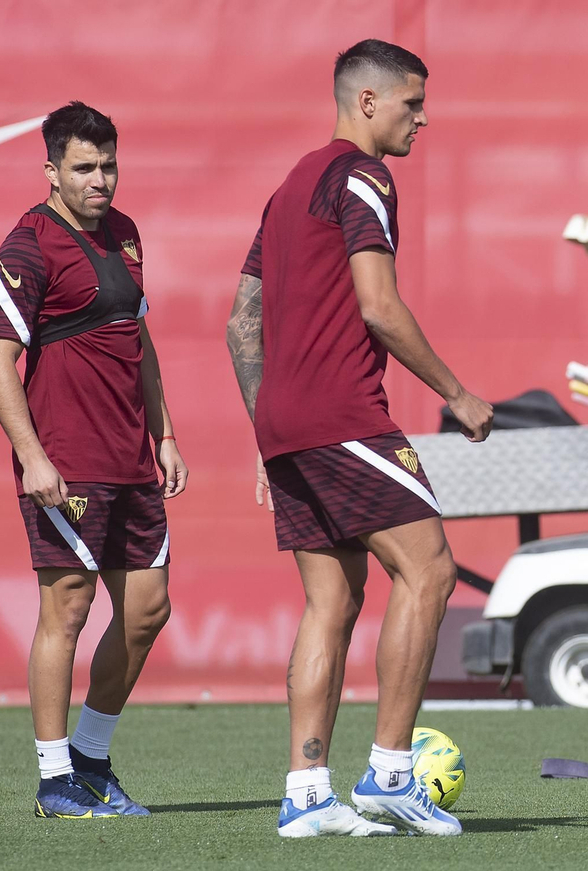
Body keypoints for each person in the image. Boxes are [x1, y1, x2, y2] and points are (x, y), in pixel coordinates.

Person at [225, 39, 493, 838]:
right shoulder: (362, 176)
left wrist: (268, 430)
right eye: (412, 103)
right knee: (432, 570)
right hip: (344, 414)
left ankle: (306, 794)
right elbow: (378, 305)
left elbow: (239, 320)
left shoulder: (287, 187)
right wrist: (457, 391)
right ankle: (389, 774)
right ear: (368, 102)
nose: (423, 118)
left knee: (332, 601)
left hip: (286, 423)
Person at [0, 102, 187, 818]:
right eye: (85, 168)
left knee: (147, 610)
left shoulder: (125, 233)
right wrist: (32, 456)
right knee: (67, 609)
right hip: (65, 464)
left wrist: (165, 431)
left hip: (133, 459)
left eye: (109, 166)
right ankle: (53, 779)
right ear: (50, 171)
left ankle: (92, 760)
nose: (101, 180)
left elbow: (138, 337)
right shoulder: (27, 246)